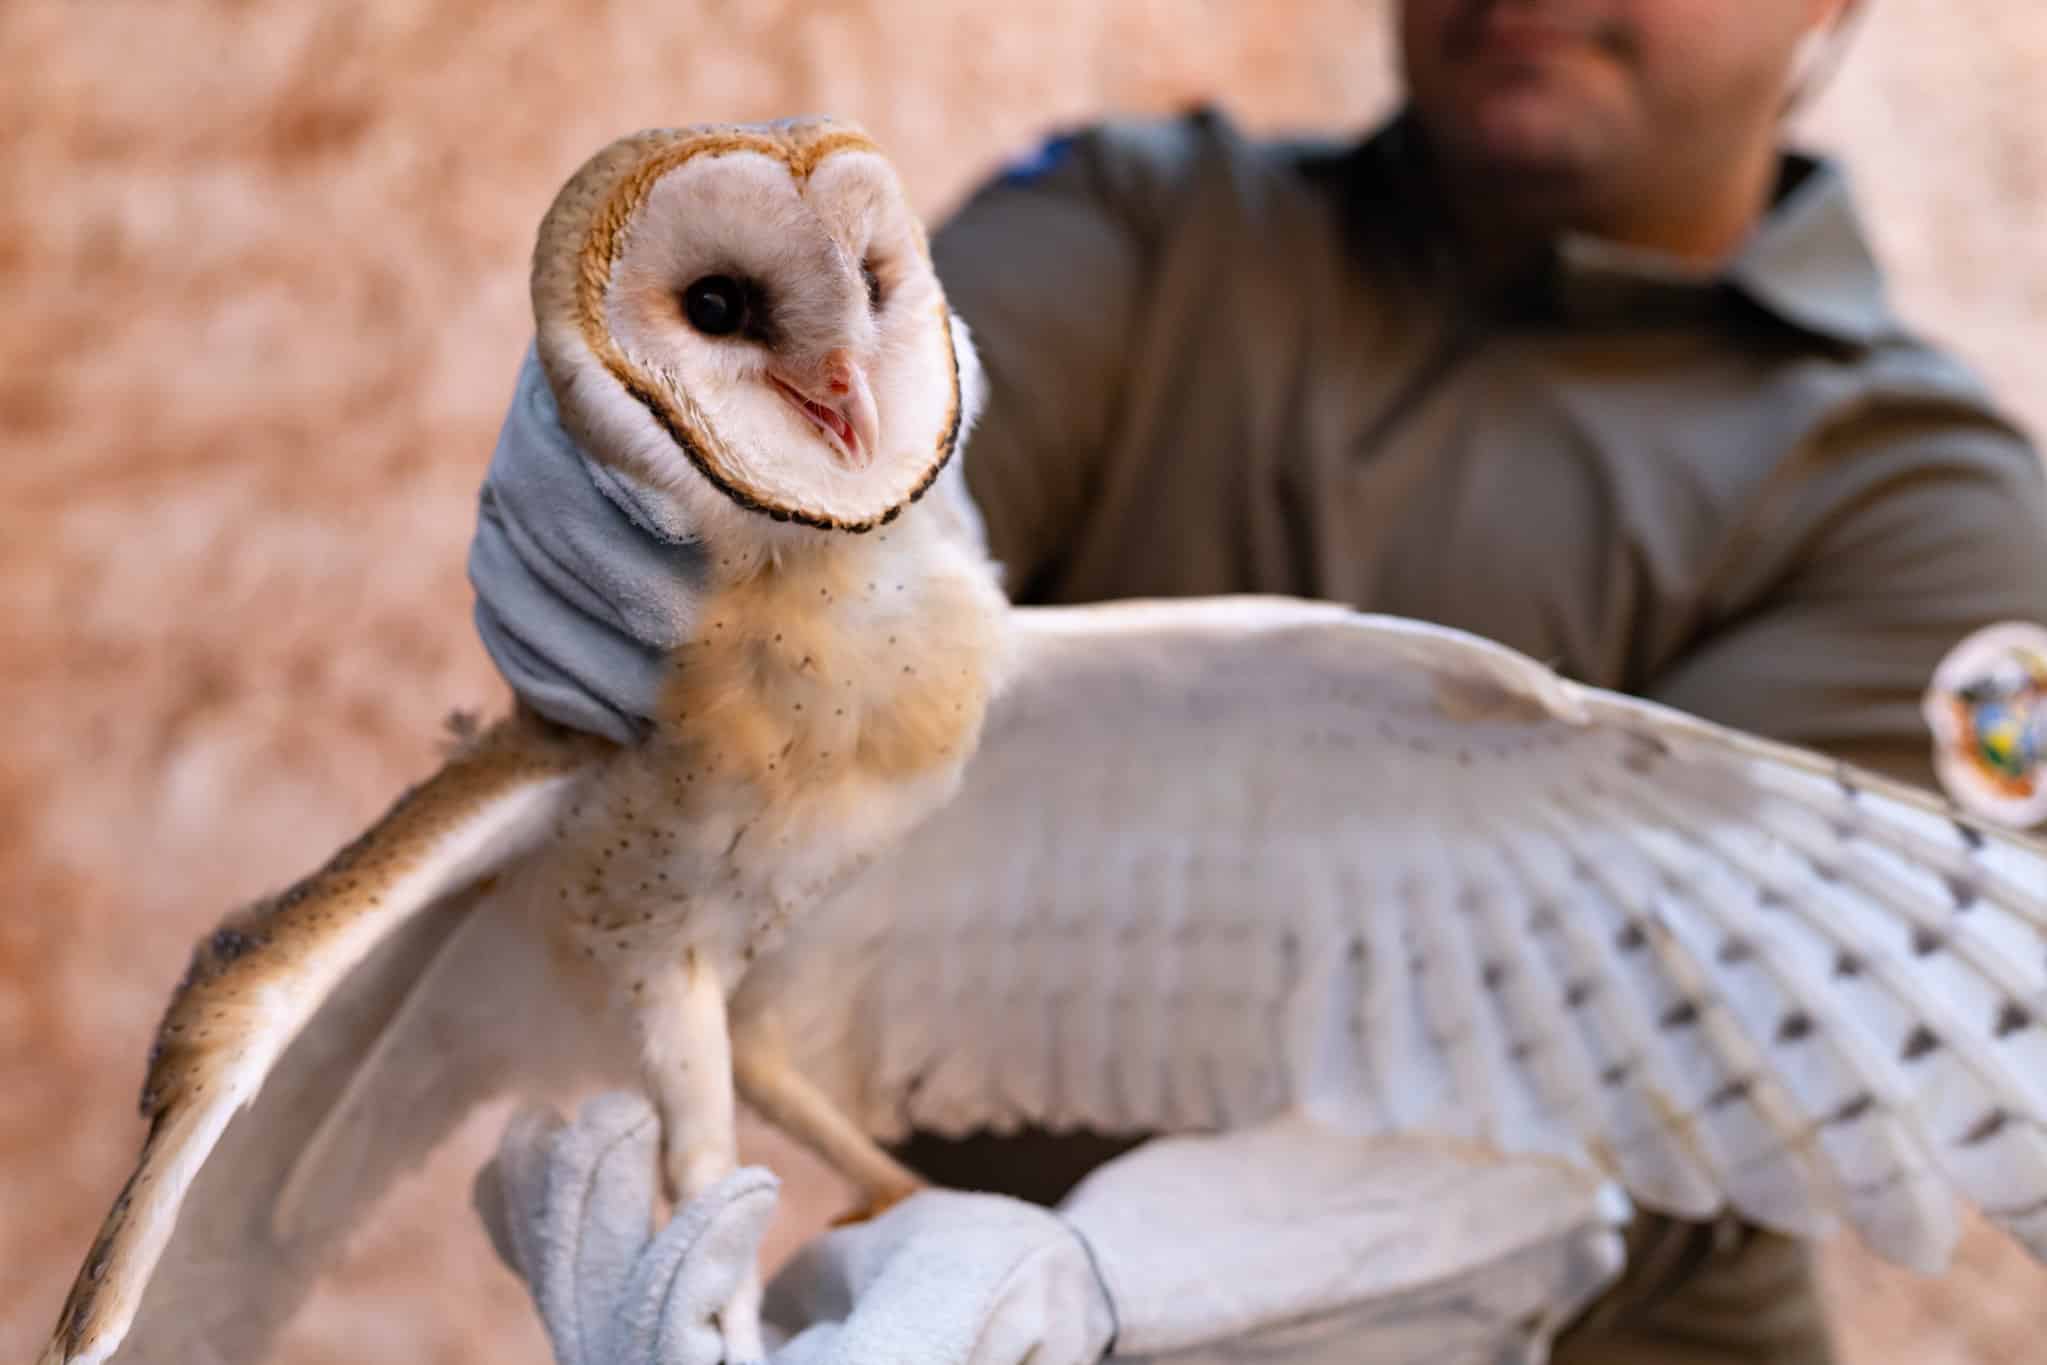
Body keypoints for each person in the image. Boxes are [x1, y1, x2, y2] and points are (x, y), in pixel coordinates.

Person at [466, 1, 2047, 1360]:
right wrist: (651, 510)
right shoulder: (1145, 232)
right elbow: (827, 527)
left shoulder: (1912, 498)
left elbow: (1634, 1086)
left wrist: (1105, 1286)